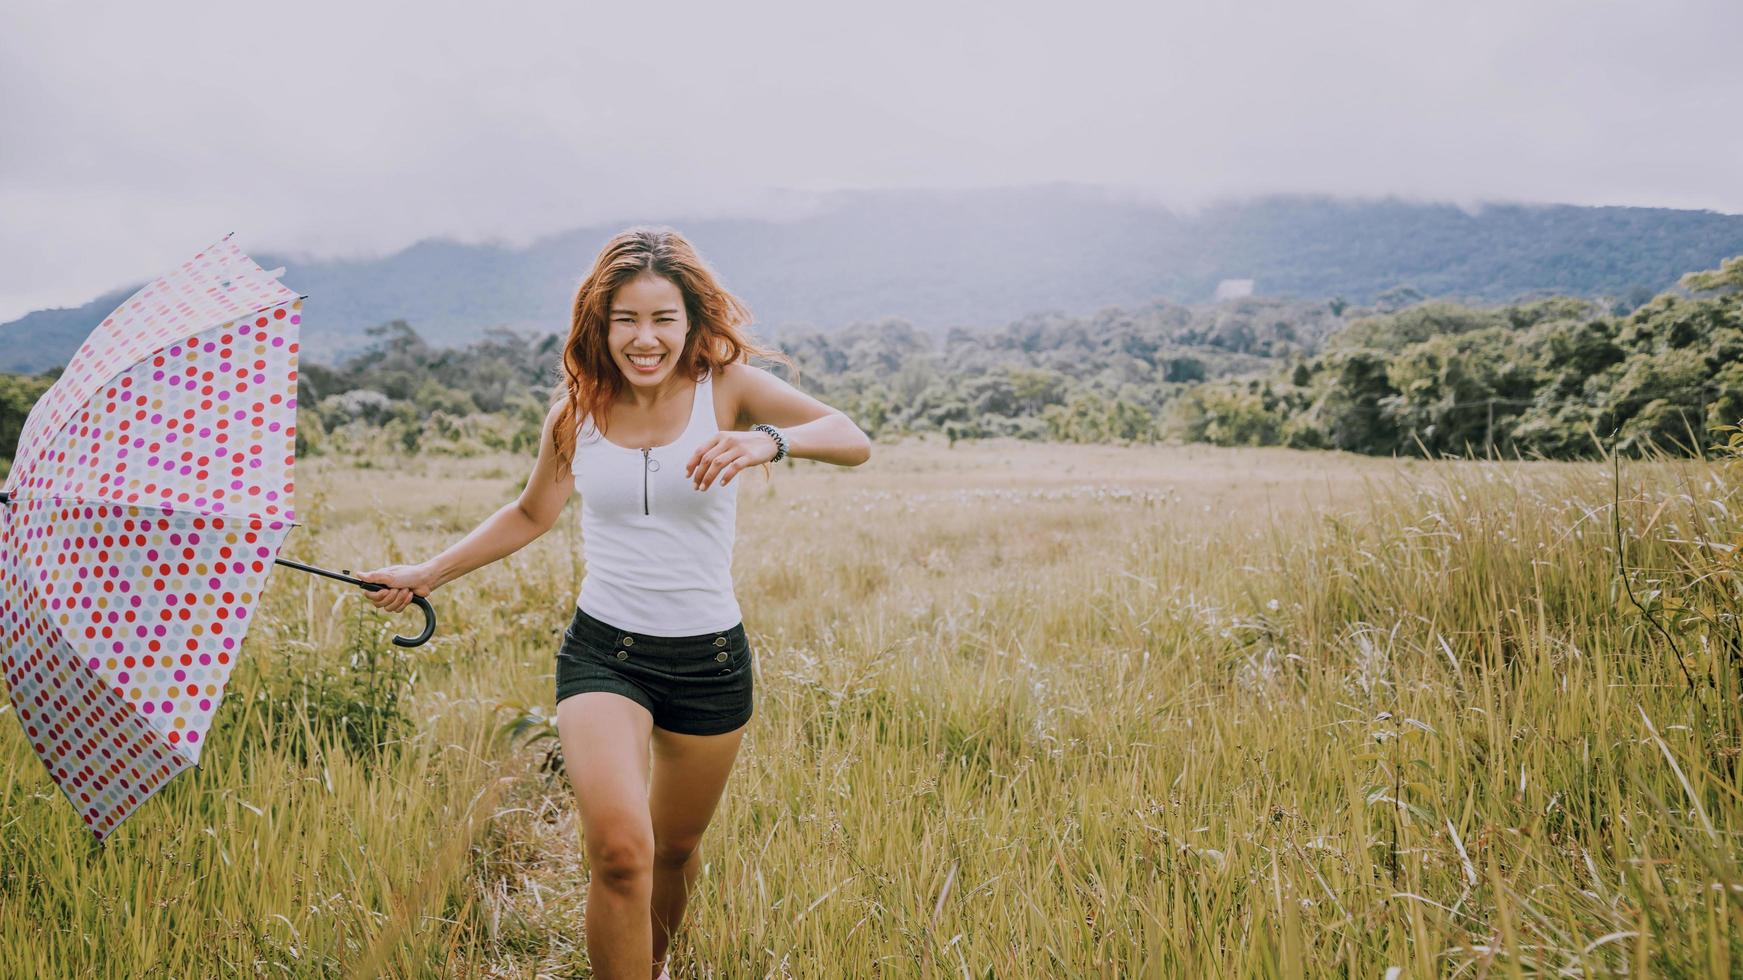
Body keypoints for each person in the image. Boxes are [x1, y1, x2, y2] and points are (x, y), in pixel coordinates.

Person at [357, 226, 872, 979]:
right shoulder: (576, 412)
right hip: (606, 656)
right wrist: (429, 572)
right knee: (622, 853)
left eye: (662, 319)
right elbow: (532, 513)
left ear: (691, 323)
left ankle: (653, 964)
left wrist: (768, 442)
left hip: (710, 662)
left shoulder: (724, 387)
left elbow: (851, 437)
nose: (644, 338)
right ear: (599, 324)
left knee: (674, 851)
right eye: (625, 318)